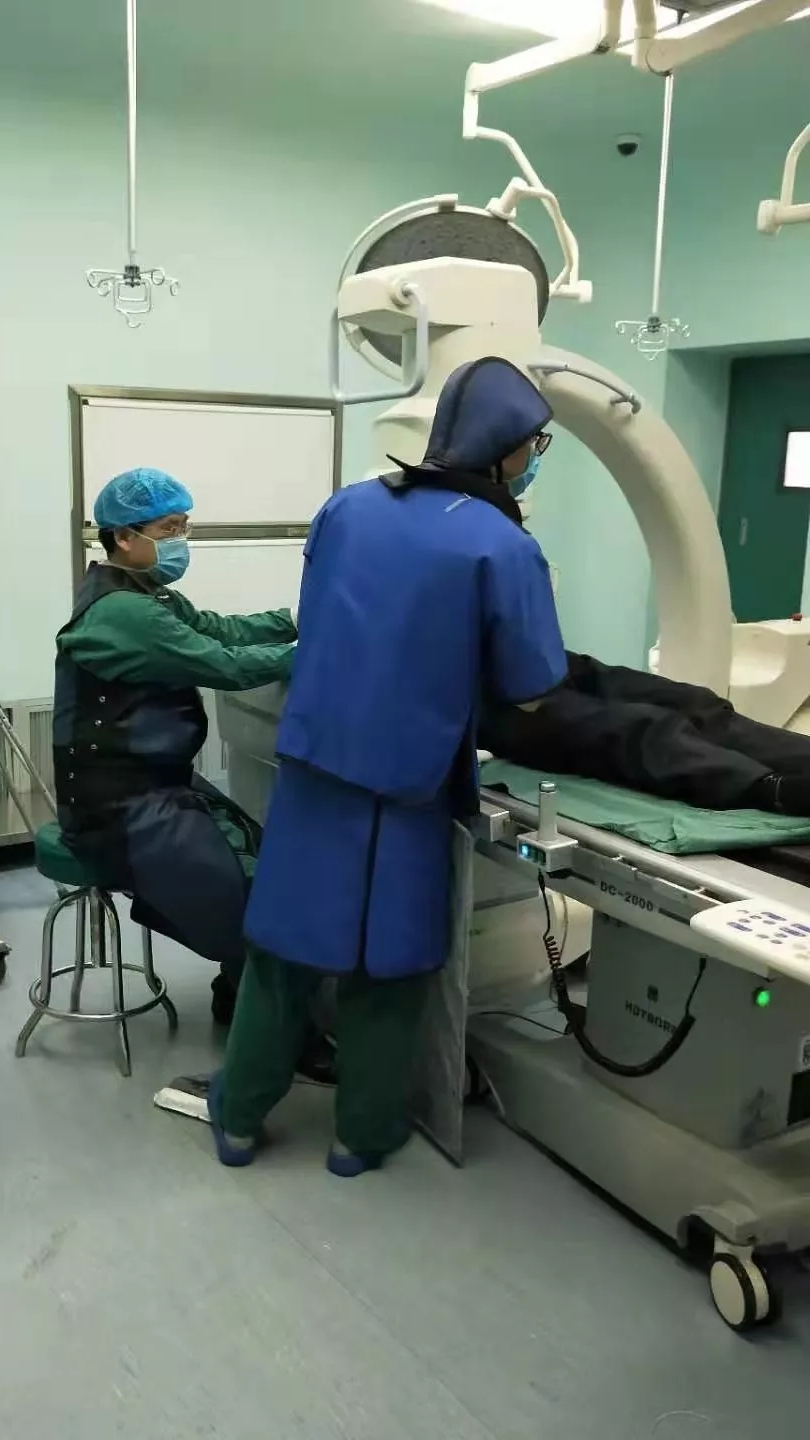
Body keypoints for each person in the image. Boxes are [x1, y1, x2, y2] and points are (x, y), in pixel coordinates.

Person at [208, 356, 568, 1174]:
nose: (534, 458)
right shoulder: (504, 546)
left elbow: (317, 620)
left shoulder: (348, 507)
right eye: (535, 444)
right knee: (389, 966)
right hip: (410, 786)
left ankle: (237, 1119)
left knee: (284, 953)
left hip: (316, 768)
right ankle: (360, 1136)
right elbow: (532, 688)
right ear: (507, 447)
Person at [52, 466, 335, 1081]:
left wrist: (295, 618)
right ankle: (290, 1038)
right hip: (118, 808)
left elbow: (217, 630)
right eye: (169, 529)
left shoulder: (144, 593)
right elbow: (222, 663)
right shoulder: (124, 613)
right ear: (124, 537)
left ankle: (238, 993)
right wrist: (317, 652)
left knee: (258, 851)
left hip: (152, 784)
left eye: (184, 527)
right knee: (256, 901)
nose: (182, 540)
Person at [481, 651, 810, 816]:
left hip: (508, 657)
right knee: (635, 727)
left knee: (693, 702)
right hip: (472, 697)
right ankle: (773, 790)